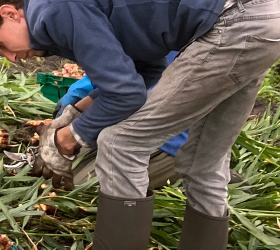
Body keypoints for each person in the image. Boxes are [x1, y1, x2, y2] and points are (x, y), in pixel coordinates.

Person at [0, 0, 280, 250]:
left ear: (10, 13)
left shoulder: (51, 11)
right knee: (205, 164)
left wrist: (67, 139)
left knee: (120, 145)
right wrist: (75, 112)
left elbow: (126, 95)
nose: (11, 58)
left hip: (233, 23)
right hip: (265, 18)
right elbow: (145, 69)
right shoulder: (58, 13)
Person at [55, 52, 187, 190]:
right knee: (54, 170)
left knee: (72, 186)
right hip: (127, 127)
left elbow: (133, 89)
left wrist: (79, 128)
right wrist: (80, 105)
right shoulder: (145, 42)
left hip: (166, 141)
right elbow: (120, 71)